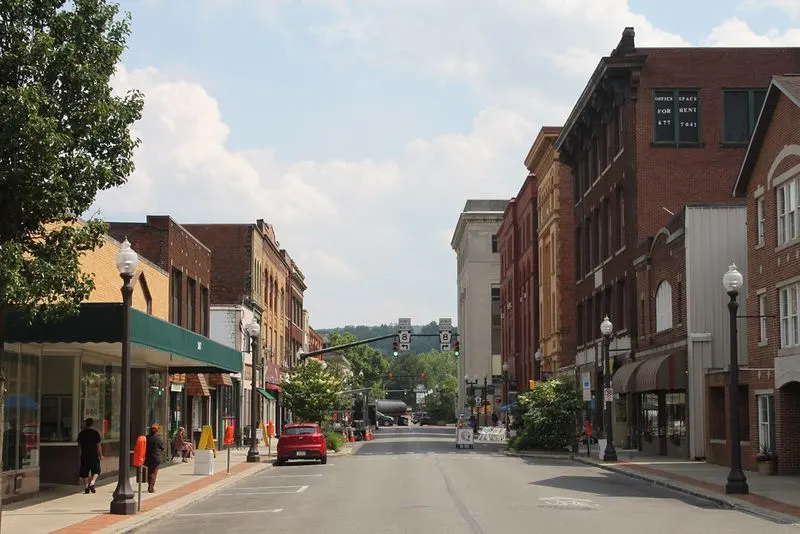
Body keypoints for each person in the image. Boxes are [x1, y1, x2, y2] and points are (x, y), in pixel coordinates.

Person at [77, 418, 103, 494]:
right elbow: (98, 445)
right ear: (92, 424)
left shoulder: (82, 433)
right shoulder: (95, 433)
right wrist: (101, 455)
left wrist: (80, 453)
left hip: (84, 454)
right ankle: (92, 483)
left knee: (84, 471)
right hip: (94, 455)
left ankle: (86, 487)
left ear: (85, 424)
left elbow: (79, 445)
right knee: (96, 470)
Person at [145, 423, 165, 493]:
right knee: (154, 472)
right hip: (156, 458)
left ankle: (150, 485)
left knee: (150, 472)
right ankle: (151, 487)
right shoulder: (158, 438)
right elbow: (162, 448)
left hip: (148, 457)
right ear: (157, 431)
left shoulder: (146, 438)